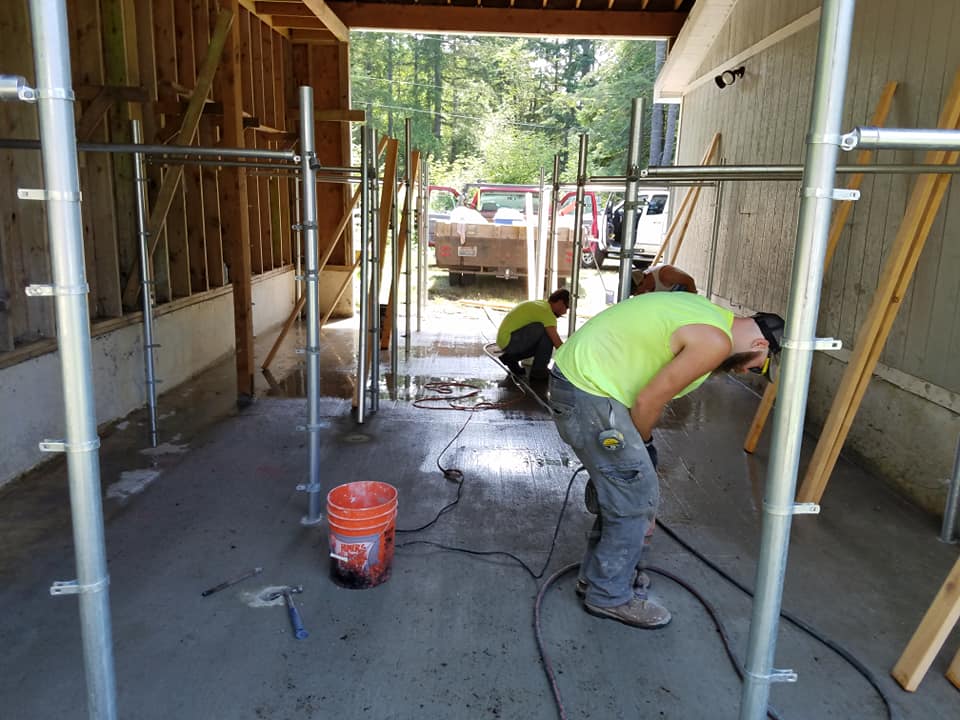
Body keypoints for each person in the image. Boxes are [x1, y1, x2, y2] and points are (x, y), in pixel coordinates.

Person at [548, 292, 784, 628]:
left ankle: (597, 577)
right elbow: (647, 403)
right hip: (590, 392)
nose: (748, 371)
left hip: (585, 385)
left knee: (626, 488)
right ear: (760, 344)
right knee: (636, 498)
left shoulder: (711, 315)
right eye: (757, 367)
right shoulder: (715, 342)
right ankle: (608, 595)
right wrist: (642, 447)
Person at [496, 288, 570, 381]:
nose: (565, 312)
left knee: (542, 340)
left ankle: (510, 358)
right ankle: (539, 371)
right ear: (560, 302)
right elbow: (557, 344)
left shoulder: (542, 305)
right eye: (566, 307)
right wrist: (572, 362)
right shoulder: (547, 313)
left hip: (506, 340)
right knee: (547, 334)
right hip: (510, 341)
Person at [630, 263, 697, 295]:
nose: (636, 294)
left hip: (686, 296)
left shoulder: (665, 274)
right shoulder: (644, 285)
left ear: (642, 282)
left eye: (636, 291)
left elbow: (690, 281)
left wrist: (694, 302)